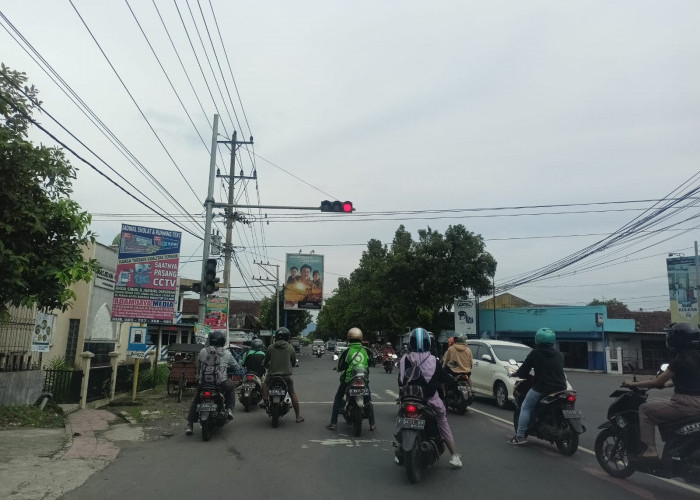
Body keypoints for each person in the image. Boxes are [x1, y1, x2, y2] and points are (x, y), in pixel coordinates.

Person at [622, 322, 700, 458]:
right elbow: (689, 379)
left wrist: (633, 384)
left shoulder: (679, 360)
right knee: (660, 406)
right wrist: (670, 384)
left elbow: (657, 381)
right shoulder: (697, 357)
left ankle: (651, 450)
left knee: (645, 409)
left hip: (684, 404)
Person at [397, 327, 462, 468]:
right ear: (428, 343)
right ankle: (454, 455)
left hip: (407, 399)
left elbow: (400, 381)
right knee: (442, 420)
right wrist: (453, 381)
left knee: (401, 419)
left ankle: (399, 451)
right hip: (429, 401)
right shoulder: (433, 360)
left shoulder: (404, 360)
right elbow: (444, 378)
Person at [508, 327, 567, 445]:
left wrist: (515, 374)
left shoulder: (535, 353)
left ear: (537, 339)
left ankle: (520, 436)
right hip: (561, 387)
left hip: (543, 388)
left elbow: (524, 370)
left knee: (526, 407)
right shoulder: (558, 354)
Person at [185, 331, 241, 435]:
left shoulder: (202, 351)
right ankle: (229, 410)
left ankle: (190, 424)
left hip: (205, 383)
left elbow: (198, 365)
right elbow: (237, 367)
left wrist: (199, 376)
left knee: (197, 399)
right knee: (231, 387)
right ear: (223, 341)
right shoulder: (227, 354)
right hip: (221, 384)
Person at [326, 327, 376, 431]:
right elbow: (372, 363)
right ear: (361, 338)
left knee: (338, 398)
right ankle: (372, 424)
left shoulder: (347, 351)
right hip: (363, 379)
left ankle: (333, 423)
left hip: (349, 379)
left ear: (349, 338)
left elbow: (340, 366)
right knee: (368, 400)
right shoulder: (366, 350)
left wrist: (339, 368)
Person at [263, 327, 304, 423]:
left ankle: (265, 400)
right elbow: (293, 363)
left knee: (265, 383)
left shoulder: (270, 347)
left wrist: (269, 366)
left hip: (272, 376)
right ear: (287, 337)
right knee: (292, 394)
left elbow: (265, 363)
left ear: (276, 336)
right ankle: (298, 416)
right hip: (285, 377)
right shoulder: (290, 348)